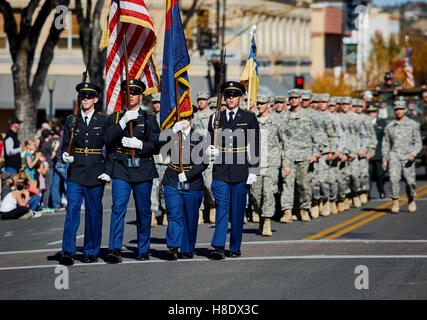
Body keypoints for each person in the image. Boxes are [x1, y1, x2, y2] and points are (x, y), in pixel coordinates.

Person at [105, 79, 161, 263]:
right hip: (121, 167)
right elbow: (106, 139)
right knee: (118, 209)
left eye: (135, 93)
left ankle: (143, 249)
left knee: (143, 210)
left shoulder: (149, 118)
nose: (131, 96)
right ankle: (114, 248)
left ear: (141, 96)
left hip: (143, 168)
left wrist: (140, 145)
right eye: (128, 93)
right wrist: (122, 123)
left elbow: (157, 145)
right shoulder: (114, 118)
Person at [60, 82, 112, 265]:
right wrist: (64, 155)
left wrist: (108, 170)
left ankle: (91, 251)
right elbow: (65, 144)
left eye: (90, 96)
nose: (86, 99)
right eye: (83, 96)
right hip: (76, 171)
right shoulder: (71, 120)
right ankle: (68, 251)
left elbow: (111, 148)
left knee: (93, 213)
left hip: (96, 171)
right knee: (72, 210)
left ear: (96, 99)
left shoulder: (103, 120)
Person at [207, 81, 260, 259]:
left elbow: (255, 145)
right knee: (222, 206)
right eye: (228, 96)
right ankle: (219, 246)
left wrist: (254, 170)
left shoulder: (248, 117)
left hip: (240, 169)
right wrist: (209, 149)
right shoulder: (215, 118)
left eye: (234, 96)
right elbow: (208, 141)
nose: (231, 99)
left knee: (237, 210)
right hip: (221, 169)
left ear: (240, 98)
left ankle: (235, 246)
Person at [161, 108, 207, 260]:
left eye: (187, 118)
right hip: (172, 179)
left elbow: (203, 162)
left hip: (192, 181)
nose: (183, 121)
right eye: (181, 117)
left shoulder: (199, 138)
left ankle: (187, 248)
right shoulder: (171, 134)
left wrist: (187, 175)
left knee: (190, 216)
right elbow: (158, 145)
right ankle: (173, 246)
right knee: (174, 214)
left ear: (192, 119)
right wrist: (170, 132)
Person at [250, 94, 292, 236]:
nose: (260, 105)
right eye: (258, 103)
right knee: (255, 195)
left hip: (272, 163)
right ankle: (261, 217)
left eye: (262, 103)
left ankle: (267, 221)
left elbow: (287, 143)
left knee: (269, 192)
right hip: (255, 163)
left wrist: (286, 164)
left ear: (269, 104)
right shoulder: (252, 119)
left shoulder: (278, 121)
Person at [279, 89, 319, 223]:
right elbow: (279, 139)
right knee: (287, 185)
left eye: (296, 98)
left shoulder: (309, 116)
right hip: (288, 157)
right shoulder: (283, 117)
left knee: (304, 185)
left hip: (305, 156)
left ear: (300, 100)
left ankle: (304, 209)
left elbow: (317, 137)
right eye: (291, 98)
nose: (293, 100)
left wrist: (315, 154)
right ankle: (287, 211)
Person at [382, 100, 422, 214]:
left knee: (410, 182)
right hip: (394, 155)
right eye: (396, 109)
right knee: (393, 180)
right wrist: (385, 160)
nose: (398, 111)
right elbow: (385, 144)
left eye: (401, 109)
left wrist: (413, 154)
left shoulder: (413, 125)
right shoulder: (390, 126)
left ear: (405, 110)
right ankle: (395, 201)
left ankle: (411, 199)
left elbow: (418, 142)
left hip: (408, 156)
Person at [192, 91, 216, 225]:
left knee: (209, 184)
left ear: (208, 101)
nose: (201, 101)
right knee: (197, 185)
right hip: (197, 155)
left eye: (203, 99)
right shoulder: (193, 117)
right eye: (199, 99)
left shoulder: (214, 117)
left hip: (210, 155)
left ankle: (212, 206)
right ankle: (199, 212)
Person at [366, 105, 386, 199]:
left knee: (380, 174)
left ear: (376, 113)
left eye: (373, 112)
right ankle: (368, 193)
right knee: (368, 173)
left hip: (379, 153)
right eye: (369, 112)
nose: (371, 114)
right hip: (367, 153)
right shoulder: (364, 123)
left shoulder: (382, 123)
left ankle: (381, 189)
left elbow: (386, 139)